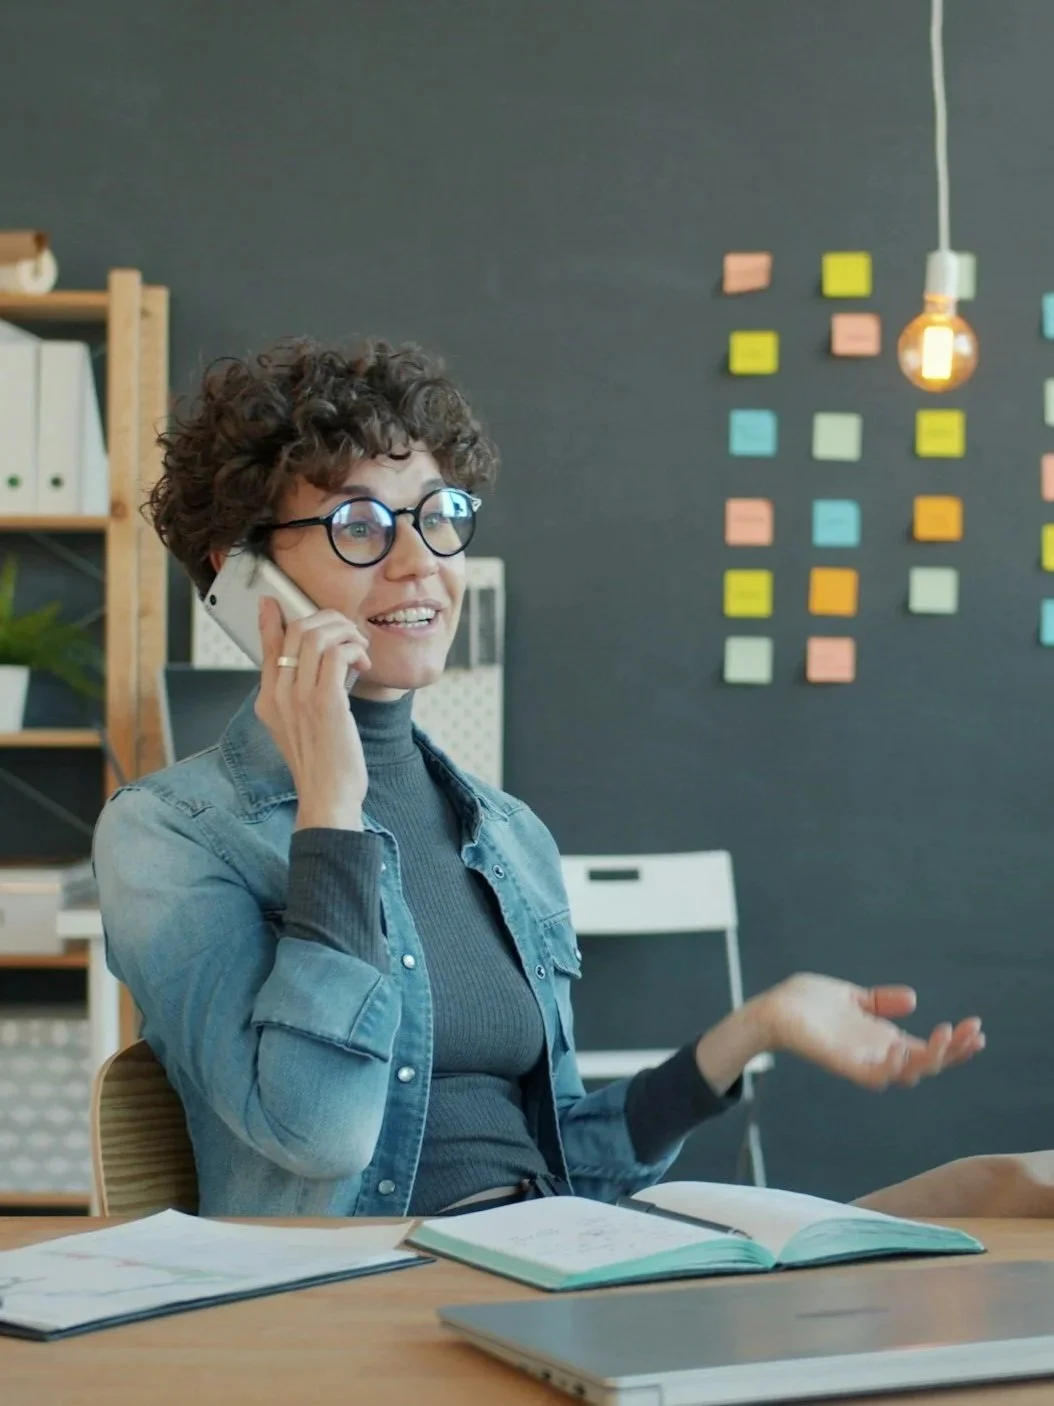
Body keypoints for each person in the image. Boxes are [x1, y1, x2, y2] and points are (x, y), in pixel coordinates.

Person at [93, 340, 985, 1219]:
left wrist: (755, 1029)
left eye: (437, 514)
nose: (420, 563)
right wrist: (332, 811)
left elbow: (562, 1160)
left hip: (541, 1267)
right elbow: (320, 1132)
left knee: (997, 1197)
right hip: (355, 1317)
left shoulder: (507, 834)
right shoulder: (167, 835)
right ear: (242, 572)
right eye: (358, 526)